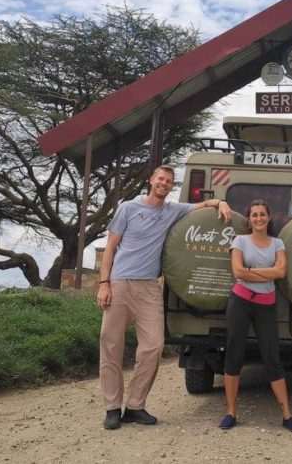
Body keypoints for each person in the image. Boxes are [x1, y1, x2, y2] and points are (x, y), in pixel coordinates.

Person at [97, 164, 232, 430]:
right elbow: (110, 247)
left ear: (171, 186)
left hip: (149, 288)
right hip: (121, 283)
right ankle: (112, 408)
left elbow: (202, 204)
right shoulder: (128, 208)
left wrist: (221, 202)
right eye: (161, 179)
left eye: (169, 181)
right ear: (151, 180)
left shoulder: (173, 211)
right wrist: (104, 284)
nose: (164, 184)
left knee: (154, 347)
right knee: (111, 345)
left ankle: (135, 406)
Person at [218, 199, 292, 432]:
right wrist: (267, 273)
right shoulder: (240, 240)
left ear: (268, 217)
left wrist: (250, 272)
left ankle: (287, 415)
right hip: (240, 303)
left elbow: (281, 271)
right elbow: (237, 271)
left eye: (262, 214)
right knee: (233, 355)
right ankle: (231, 413)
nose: (258, 218)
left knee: (272, 358)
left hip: (266, 306)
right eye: (254, 215)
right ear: (249, 219)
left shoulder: (278, 243)